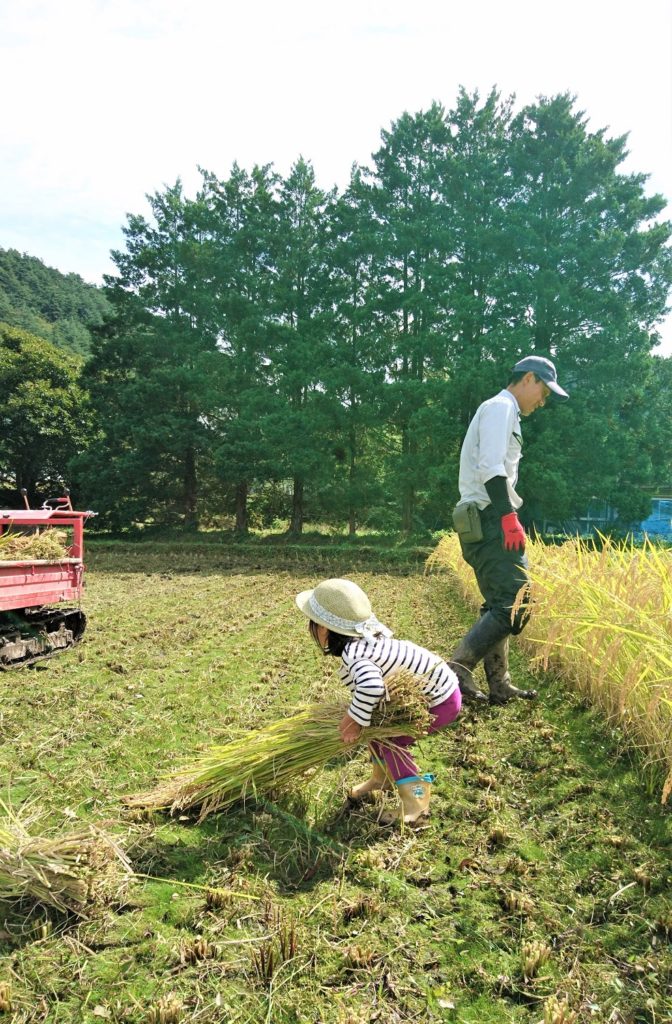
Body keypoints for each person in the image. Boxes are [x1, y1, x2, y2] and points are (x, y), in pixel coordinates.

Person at [450, 355, 569, 705]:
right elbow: (491, 467)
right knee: (517, 603)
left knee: (500, 604)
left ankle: (499, 684)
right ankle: (456, 671)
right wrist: (507, 516)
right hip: (489, 517)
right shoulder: (501, 407)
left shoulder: (505, 411)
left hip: (481, 516)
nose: (543, 400)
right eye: (544, 391)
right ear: (529, 378)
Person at [295, 578, 461, 825]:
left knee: (392, 742)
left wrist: (353, 721)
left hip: (440, 701)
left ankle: (417, 808)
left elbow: (371, 687)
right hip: (442, 691)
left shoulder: (356, 654)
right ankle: (380, 779)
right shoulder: (365, 638)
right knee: (376, 730)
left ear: (323, 629)